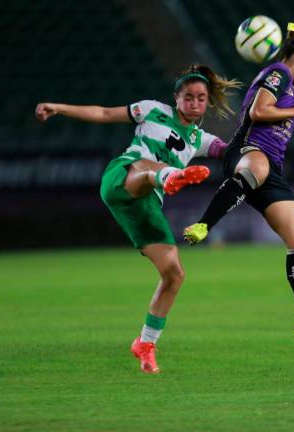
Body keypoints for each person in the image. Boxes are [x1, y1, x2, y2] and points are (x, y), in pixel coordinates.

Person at [35, 64, 241, 373]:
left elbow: (230, 152)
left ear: (207, 101)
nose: (195, 103)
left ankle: (145, 344)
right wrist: (59, 108)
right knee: (147, 165)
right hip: (123, 176)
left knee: (174, 273)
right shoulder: (152, 110)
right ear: (176, 98)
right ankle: (172, 176)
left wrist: (259, 145)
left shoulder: (200, 139)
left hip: (145, 205)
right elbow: (104, 114)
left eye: (201, 98)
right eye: (189, 97)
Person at [183, 24, 294, 344]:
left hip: (272, 170)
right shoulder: (279, 74)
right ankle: (203, 225)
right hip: (245, 152)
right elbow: (258, 111)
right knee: (258, 165)